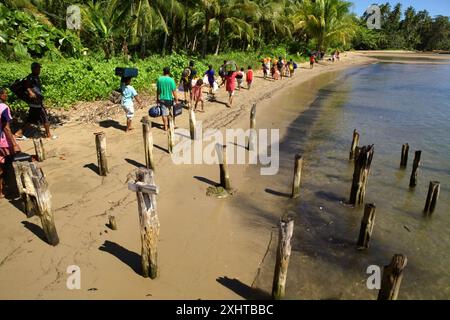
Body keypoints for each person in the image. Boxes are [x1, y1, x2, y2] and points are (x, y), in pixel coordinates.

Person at [15, 62, 56, 140]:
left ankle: (18, 133)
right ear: (33, 69)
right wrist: (31, 93)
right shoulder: (30, 77)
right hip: (35, 102)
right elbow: (27, 86)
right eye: (38, 68)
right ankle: (48, 135)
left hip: (36, 102)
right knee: (44, 117)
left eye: (39, 68)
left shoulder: (36, 77)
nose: (39, 70)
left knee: (31, 119)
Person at [0, 88, 21, 198]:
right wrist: (14, 143)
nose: (6, 96)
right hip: (3, 141)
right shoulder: (3, 107)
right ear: (1, 95)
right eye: (5, 94)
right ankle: (12, 190)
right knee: (9, 164)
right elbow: (6, 128)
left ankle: (1, 191)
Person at [157, 67, 179, 131]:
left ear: (163, 72)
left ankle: (165, 126)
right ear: (169, 72)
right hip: (169, 99)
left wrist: (157, 98)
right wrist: (176, 99)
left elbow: (158, 90)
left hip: (162, 99)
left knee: (164, 114)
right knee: (170, 112)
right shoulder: (171, 80)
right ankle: (172, 125)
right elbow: (174, 91)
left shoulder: (159, 79)